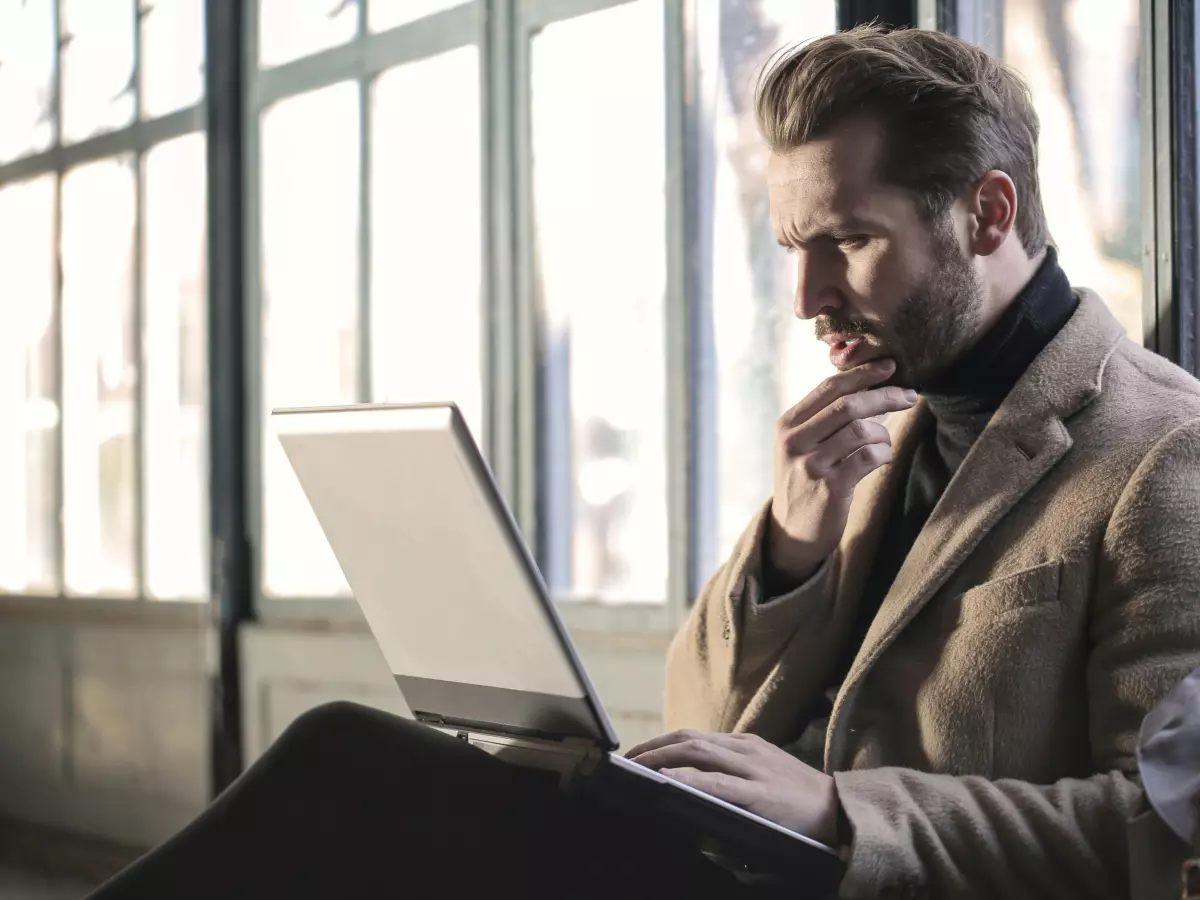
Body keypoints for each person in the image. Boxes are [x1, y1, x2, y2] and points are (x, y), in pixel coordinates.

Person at [89, 23, 1200, 900]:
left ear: (987, 215)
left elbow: (1160, 834)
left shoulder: (1161, 451)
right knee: (356, 788)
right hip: (725, 870)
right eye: (793, 252)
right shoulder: (876, 420)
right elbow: (701, 720)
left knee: (352, 775)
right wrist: (794, 543)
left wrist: (838, 813)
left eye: (849, 244)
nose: (812, 302)